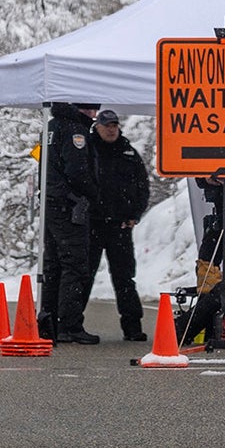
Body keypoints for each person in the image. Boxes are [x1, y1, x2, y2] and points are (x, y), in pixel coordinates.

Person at [39, 102, 103, 344]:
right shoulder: (75, 130)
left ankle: (49, 320)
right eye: (90, 109)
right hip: (69, 205)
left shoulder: (52, 127)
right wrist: (93, 193)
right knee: (75, 264)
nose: (93, 115)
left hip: (52, 201)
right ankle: (69, 325)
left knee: (54, 264)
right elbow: (77, 171)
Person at [86, 109, 151, 342]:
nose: (111, 129)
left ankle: (132, 327)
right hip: (92, 225)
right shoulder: (87, 150)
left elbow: (143, 188)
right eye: (107, 125)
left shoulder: (128, 153)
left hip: (120, 227)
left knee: (125, 279)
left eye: (114, 125)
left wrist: (135, 214)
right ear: (98, 127)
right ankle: (70, 324)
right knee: (83, 276)